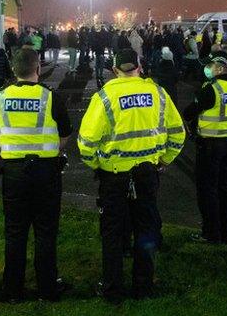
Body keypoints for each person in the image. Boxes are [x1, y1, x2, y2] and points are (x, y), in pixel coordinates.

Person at [78, 49, 186, 303]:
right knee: (146, 230)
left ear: (114, 69)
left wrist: (97, 165)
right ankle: (144, 286)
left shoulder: (104, 97)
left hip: (113, 176)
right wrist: (163, 160)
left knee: (113, 234)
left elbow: (86, 143)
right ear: (140, 66)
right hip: (147, 173)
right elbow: (178, 134)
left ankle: (113, 290)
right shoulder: (158, 93)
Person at [0, 48, 72, 302]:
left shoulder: (0, 97)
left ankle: (12, 290)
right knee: (46, 231)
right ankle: (47, 288)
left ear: (13, 70)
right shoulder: (50, 98)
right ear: (37, 69)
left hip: (13, 174)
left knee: (15, 232)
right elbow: (64, 134)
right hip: (45, 172)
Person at [183, 51, 227, 244]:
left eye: (210, 66)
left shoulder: (212, 89)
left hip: (210, 146)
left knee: (207, 190)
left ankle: (210, 233)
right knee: (225, 189)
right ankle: (225, 232)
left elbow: (189, 112)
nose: (207, 69)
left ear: (219, 67)